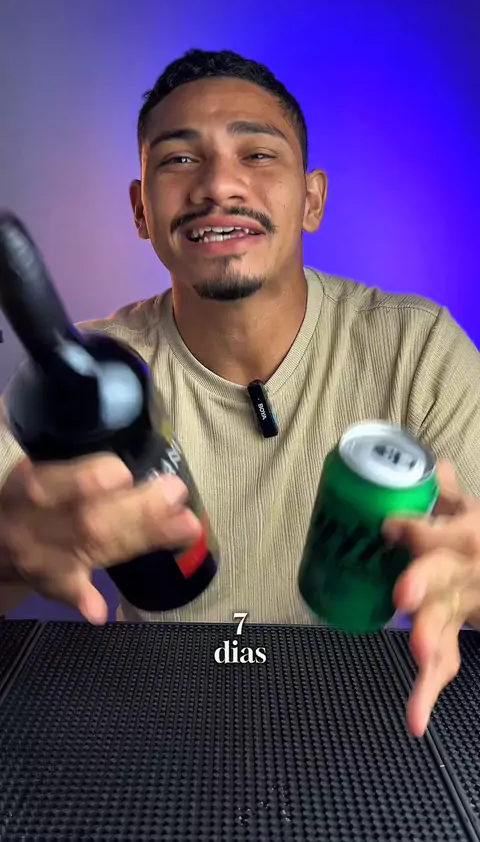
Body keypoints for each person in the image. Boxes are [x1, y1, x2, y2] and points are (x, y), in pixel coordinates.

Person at [0, 48, 480, 736]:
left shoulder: (418, 346)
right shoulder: (81, 380)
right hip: (155, 722)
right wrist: (9, 553)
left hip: (363, 720)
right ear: (141, 210)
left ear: (312, 199)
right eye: (179, 159)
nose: (219, 183)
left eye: (257, 154)